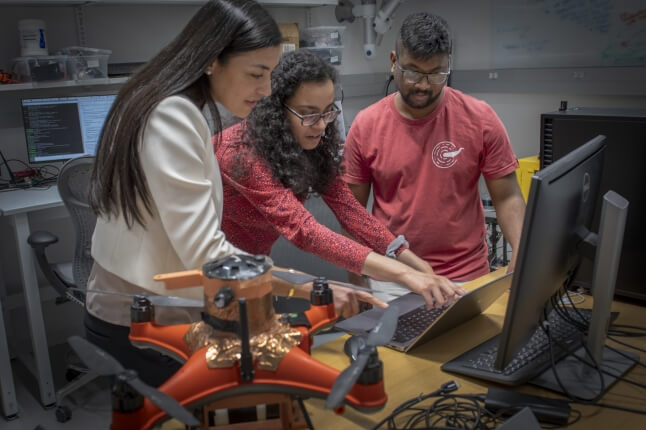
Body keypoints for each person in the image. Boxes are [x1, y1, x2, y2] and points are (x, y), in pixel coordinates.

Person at [84, 0, 367, 387]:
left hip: (149, 306)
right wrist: (307, 287)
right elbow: (207, 255)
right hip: (141, 319)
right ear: (212, 60)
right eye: (256, 73)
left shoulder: (166, 104)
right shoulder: (173, 117)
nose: (265, 89)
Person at [215, 49, 464, 318]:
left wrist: (415, 263)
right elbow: (305, 231)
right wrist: (403, 275)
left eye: (328, 112)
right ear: (276, 111)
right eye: (309, 114)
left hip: (254, 270)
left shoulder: (308, 141)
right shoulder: (240, 153)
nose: (321, 126)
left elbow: (350, 210)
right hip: (208, 274)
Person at [341, 12, 526, 300]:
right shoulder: (367, 125)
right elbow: (352, 211)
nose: (424, 85)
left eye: (436, 74)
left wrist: (521, 252)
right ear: (393, 62)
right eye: (413, 72)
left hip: (467, 276)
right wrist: (356, 277)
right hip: (394, 279)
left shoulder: (480, 118)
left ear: (449, 65)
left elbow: (507, 196)